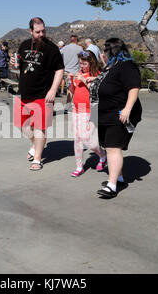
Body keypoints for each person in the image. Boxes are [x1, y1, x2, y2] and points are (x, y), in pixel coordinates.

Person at [86, 38, 142, 199]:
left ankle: (112, 186)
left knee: (113, 148)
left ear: (112, 51)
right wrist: (94, 80)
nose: (102, 54)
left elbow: (134, 87)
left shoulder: (126, 66)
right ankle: (119, 178)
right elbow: (109, 83)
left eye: (104, 51)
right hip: (104, 113)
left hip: (118, 114)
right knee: (108, 146)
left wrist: (127, 109)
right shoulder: (111, 66)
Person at [11, 17, 64, 171]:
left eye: (43, 31)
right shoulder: (24, 45)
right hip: (24, 93)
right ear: (31, 31)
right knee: (21, 125)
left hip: (43, 94)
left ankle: (38, 158)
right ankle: (36, 144)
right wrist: (16, 63)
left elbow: (60, 70)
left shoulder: (52, 48)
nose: (41, 34)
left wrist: (53, 90)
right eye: (38, 31)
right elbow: (20, 64)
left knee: (40, 128)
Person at [68, 50, 106, 177]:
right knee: (77, 138)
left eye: (84, 64)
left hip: (91, 109)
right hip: (77, 109)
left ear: (91, 62)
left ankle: (102, 154)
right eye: (80, 63)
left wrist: (85, 81)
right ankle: (79, 166)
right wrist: (70, 82)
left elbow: (97, 91)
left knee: (89, 139)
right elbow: (72, 91)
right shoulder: (79, 73)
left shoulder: (97, 74)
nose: (81, 66)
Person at [60, 35, 83, 102]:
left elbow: (58, 54)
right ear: (76, 40)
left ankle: (68, 106)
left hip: (67, 72)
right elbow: (84, 57)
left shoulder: (64, 48)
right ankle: (76, 105)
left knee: (69, 89)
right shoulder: (79, 48)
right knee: (77, 89)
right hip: (76, 72)